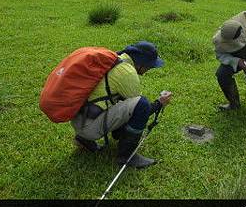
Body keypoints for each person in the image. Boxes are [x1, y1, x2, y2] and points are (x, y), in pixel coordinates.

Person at [72, 41, 172, 169]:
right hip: (89, 126)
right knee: (142, 104)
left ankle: (83, 139)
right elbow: (141, 110)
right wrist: (159, 103)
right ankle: (127, 156)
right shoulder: (127, 72)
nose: (148, 70)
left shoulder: (114, 59)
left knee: (120, 101)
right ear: (141, 63)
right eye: (149, 66)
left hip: (79, 119)